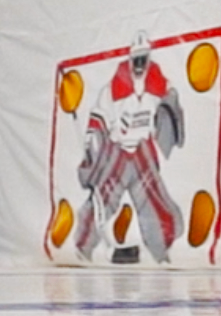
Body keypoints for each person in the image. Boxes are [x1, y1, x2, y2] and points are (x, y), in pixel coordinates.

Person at [75, 31, 185, 262]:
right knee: (103, 200)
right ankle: (83, 246)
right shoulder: (112, 89)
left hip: (142, 150)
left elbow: (170, 104)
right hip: (119, 150)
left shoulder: (160, 84)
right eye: (136, 58)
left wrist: (167, 112)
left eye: (143, 58)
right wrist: (92, 147)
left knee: (154, 200)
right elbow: (98, 119)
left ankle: (161, 251)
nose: (139, 64)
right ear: (129, 58)